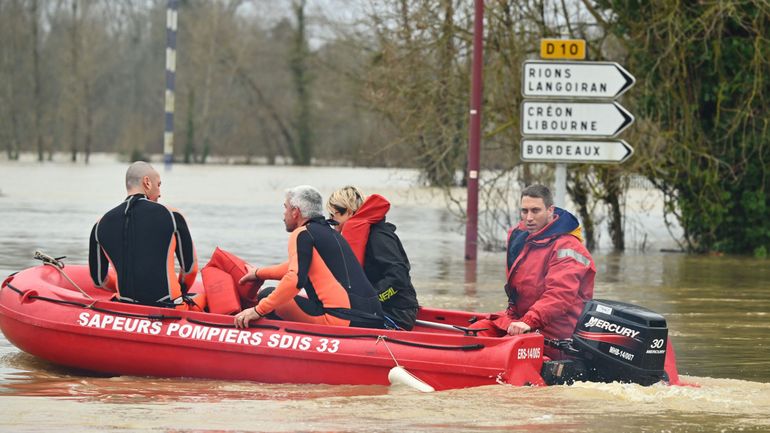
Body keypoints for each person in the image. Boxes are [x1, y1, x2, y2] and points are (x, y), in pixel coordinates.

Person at [470, 184, 595, 359]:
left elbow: (559, 295)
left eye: (535, 211)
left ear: (550, 210)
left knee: (498, 352)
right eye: (524, 211)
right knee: (474, 332)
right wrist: (517, 321)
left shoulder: (567, 247)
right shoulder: (522, 238)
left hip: (556, 334)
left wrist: (528, 322)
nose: (529, 217)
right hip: (521, 323)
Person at [234, 185, 385, 329]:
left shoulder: (302, 234)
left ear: (295, 212)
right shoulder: (332, 233)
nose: (284, 214)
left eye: (285, 208)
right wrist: (258, 273)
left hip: (343, 321)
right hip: (374, 318)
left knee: (266, 295)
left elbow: (295, 279)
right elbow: (296, 266)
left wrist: (258, 311)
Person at [89, 161, 199, 308]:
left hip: (125, 307)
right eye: (158, 185)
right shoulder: (172, 215)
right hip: (169, 308)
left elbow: (99, 280)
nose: (160, 193)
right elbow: (190, 270)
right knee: (205, 298)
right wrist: (180, 293)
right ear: (147, 182)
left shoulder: (99, 224)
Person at [326, 186, 419, 330]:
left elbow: (399, 276)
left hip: (397, 313)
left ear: (349, 212)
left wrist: (374, 300)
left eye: (334, 215)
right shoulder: (360, 235)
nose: (331, 221)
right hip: (379, 309)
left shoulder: (378, 237)